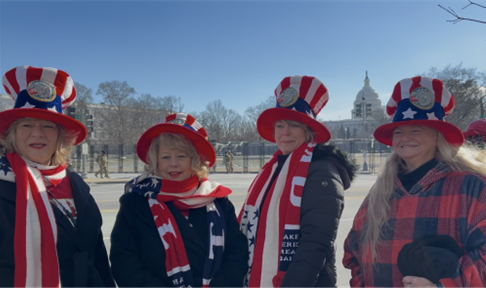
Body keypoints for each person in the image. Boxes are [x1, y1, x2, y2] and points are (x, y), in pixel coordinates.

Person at [343, 76, 486, 288]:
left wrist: (446, 286)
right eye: (399, 131)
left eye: (416, 130)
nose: (406, 138)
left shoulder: (472, 186)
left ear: (438, 136)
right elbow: (354, 252)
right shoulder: (381, 191)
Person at [0, 66, 116, 288]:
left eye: (48, 126)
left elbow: (97, 254)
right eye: (27, 125)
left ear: (60, 137)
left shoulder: (77, 185)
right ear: (13, 134)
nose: (37, 133)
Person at [239, 75, 358, 288]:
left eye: (294, 125)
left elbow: (315, 244)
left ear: (308, 131)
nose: (285, 132)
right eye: (280, 125)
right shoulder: (273, 169)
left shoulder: (321, 170)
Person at [110, 113, 249, 288]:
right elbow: (124, 261)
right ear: (156, 162)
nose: (173, 163)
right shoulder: (136, 202)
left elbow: (236, 252)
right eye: (165, 157)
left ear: (195, 160)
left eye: (181, 156)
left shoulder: (218, 201)